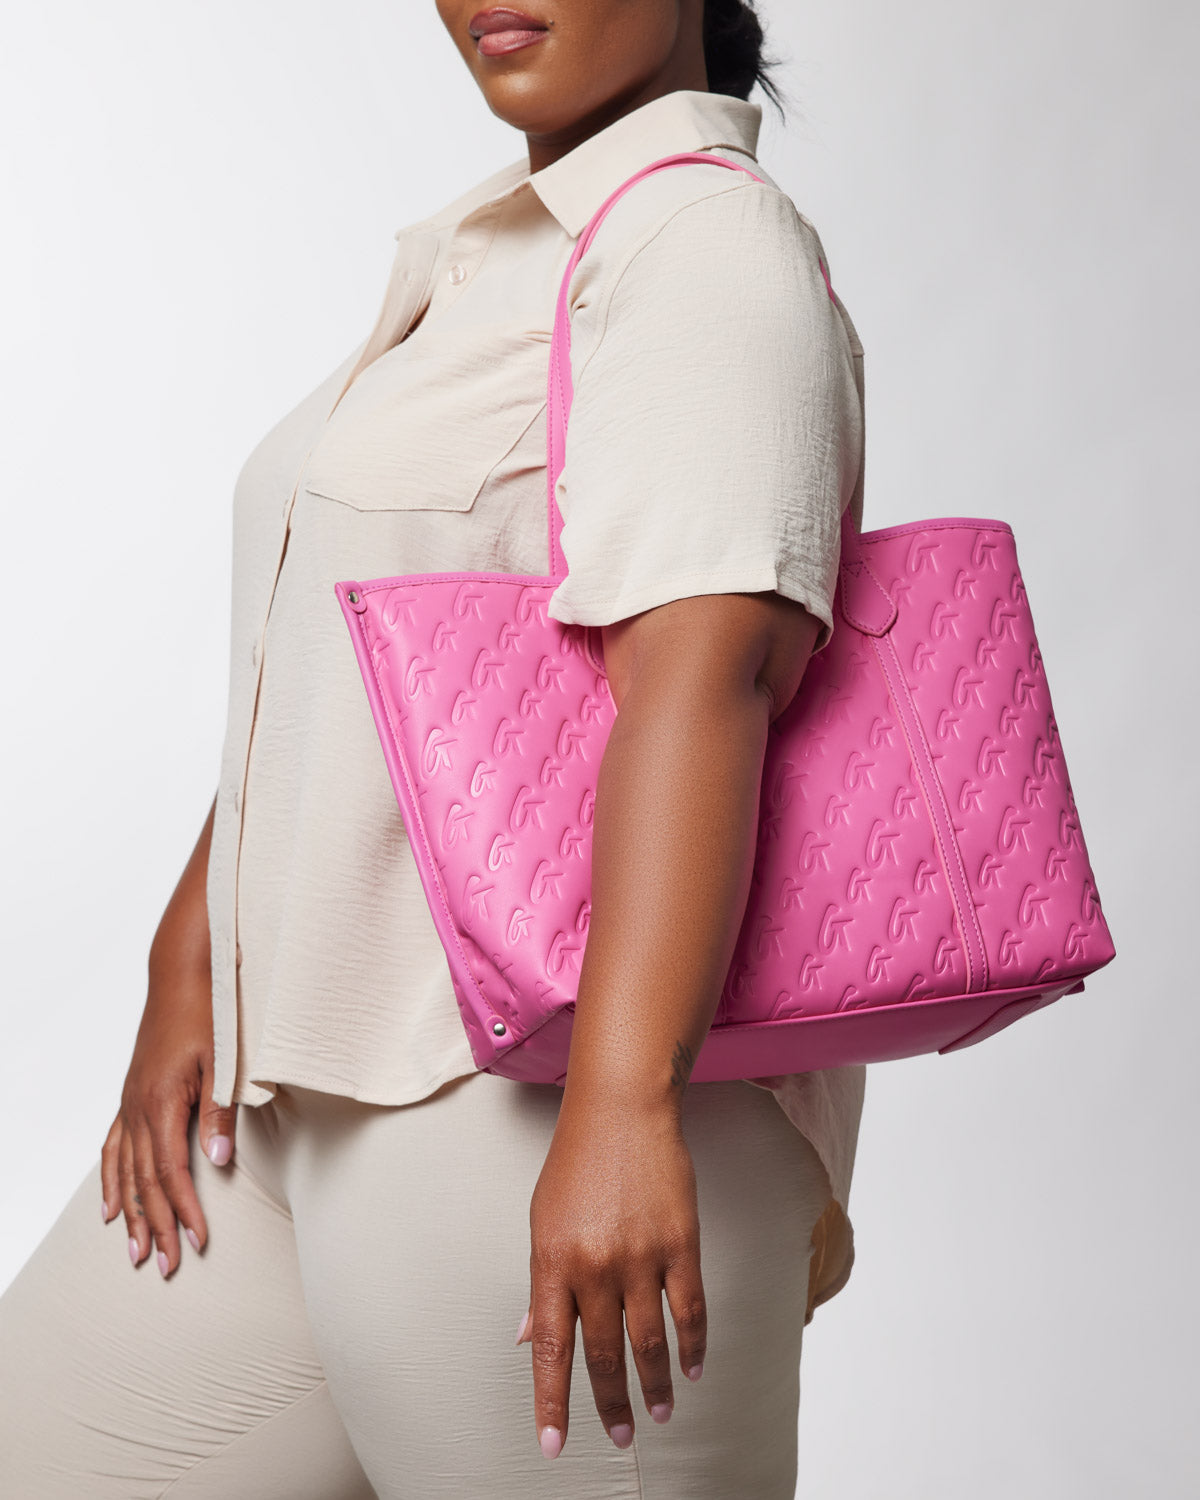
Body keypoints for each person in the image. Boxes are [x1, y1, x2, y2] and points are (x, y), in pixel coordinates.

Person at [0, 2, 868, 1495]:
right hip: (291, 1099)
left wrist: (621, 1108)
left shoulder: (701, 250)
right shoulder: (499, 250)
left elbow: (704, 678)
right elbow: (359, 658)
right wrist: (193, 954)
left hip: (537, 1112)